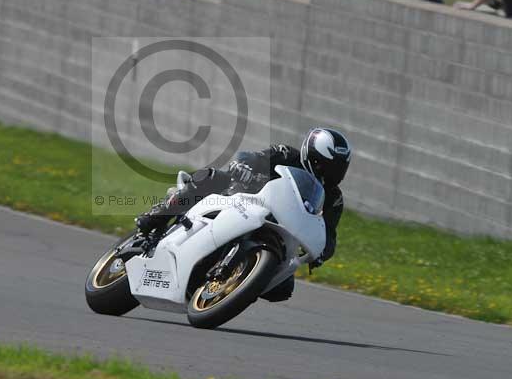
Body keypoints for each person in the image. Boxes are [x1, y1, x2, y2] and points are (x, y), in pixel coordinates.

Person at [136, 128, 352, 302]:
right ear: (312, 157)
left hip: (278, 230)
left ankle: (236, 286)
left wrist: (322, 251)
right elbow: (251, 156)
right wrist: (243, 166)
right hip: (240, 198)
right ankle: (156, 216)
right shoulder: (286, 154)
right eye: (327, 167)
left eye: (339, 169)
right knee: (209, 177)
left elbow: (328, 231)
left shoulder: (334, 198)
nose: (332, 175)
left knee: (283, 289)